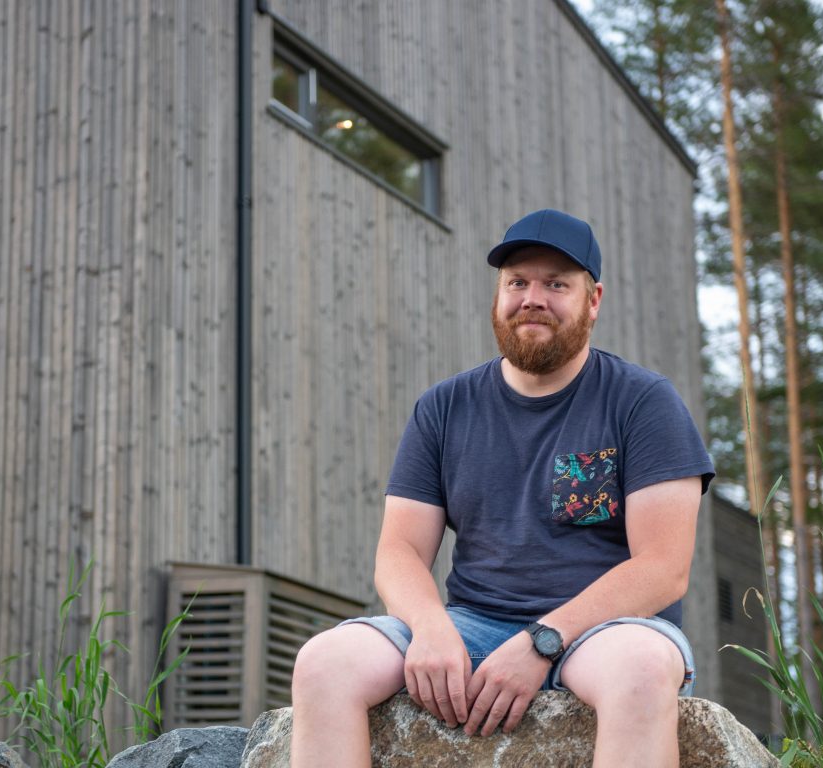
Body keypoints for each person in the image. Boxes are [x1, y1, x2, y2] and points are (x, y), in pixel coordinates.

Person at [289, 209, 715, 768]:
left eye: (556, 284)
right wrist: (430, 628)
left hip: (605, 634)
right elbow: (399, 552)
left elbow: (663, 567)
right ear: (498, 296)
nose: (532, 298)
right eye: (517, 282)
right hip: (471, 624)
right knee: (324, 662)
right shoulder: (443, 407)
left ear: (593, 300)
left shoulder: (643, 401)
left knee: (641, 668)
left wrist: (543, 640)